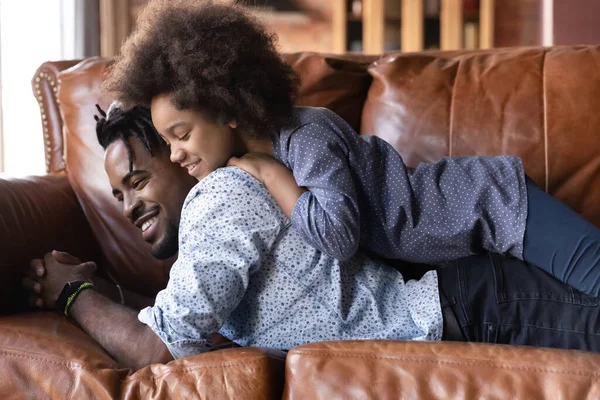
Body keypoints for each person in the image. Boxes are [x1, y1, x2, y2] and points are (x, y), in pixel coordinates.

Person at [22, 105, 600, 370]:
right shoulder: (215, 224)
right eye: (118, 196)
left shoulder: (220, 196)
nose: (128, 207)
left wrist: (75, 296)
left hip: (479, 304)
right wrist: (110, 295)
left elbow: (158, 348)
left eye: (139, 179)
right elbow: (176, 327)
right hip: (469, 304)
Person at [102, 0, 600, 297]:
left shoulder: (305, 138)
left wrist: (274, 179)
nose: (174, 156)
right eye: (166, 142)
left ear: (227, 109)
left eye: (182, 135)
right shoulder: (255, 164)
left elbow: (338, 236)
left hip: (495, 203)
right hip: (471, 246)